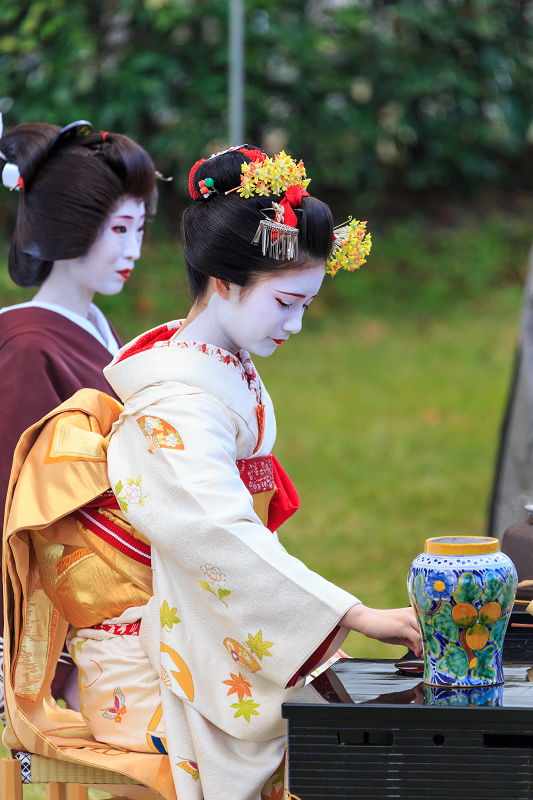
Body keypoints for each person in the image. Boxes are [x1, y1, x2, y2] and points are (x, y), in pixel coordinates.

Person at [3, 146, 421, 800]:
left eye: (306, 304)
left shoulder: (205, 362)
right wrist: (354, 614)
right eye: (285, 302)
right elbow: (216, 532)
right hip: (153, 653)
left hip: (197, 616)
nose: (297, 323)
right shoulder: (177, 402)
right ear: (224, 282)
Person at [0, 116, 157, 713]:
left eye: (139, 228)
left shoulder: (94, 327)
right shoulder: (26, 346)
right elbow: (13, 504)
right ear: (68, 227)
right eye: (118, 229)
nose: (133, 250)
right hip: (78, 610)